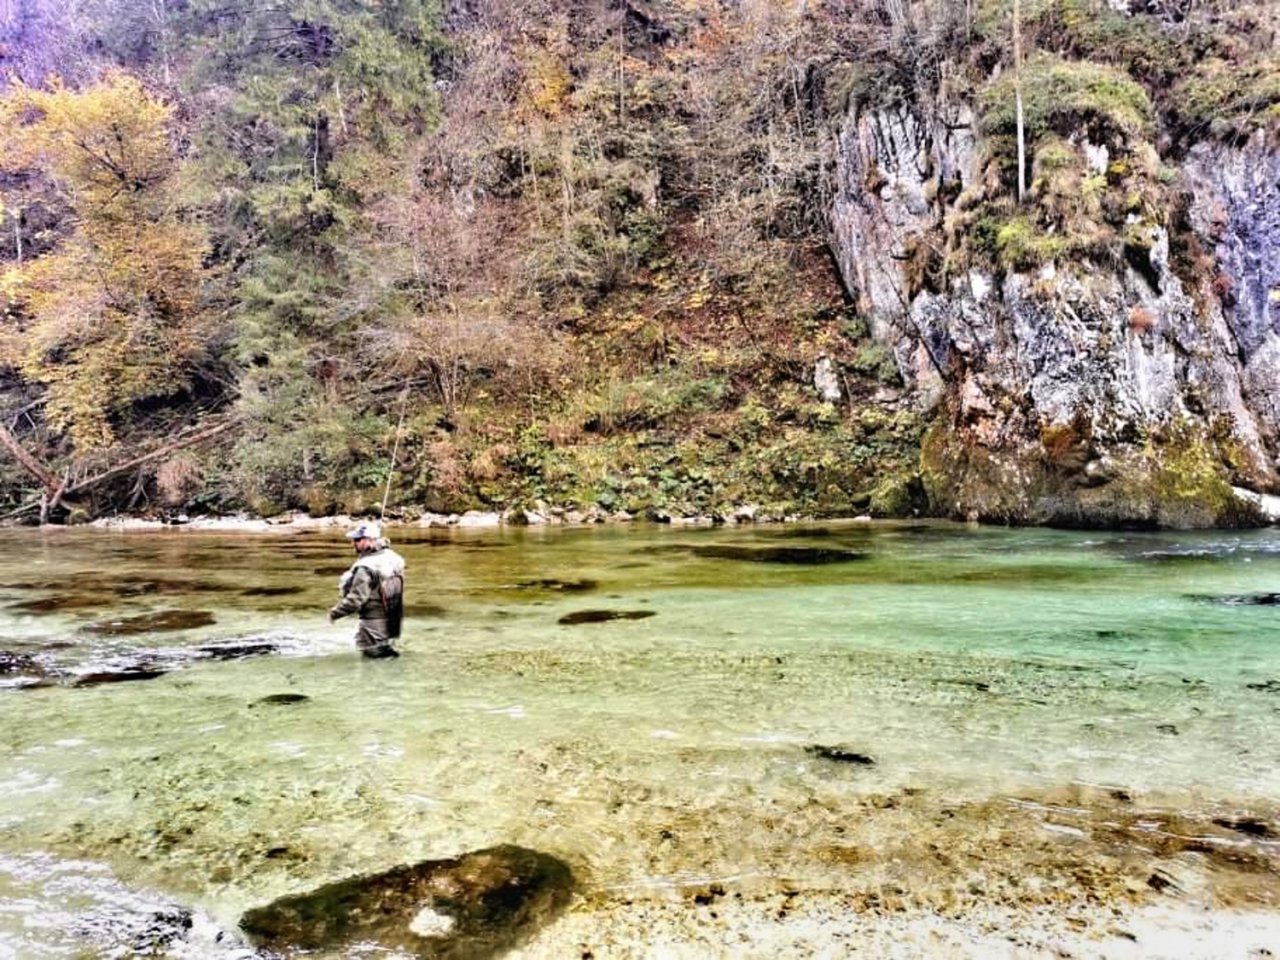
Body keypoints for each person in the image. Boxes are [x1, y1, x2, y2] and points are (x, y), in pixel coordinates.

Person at [329, 521, 406, 659]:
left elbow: (355, 600)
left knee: (372, 660)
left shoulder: (365, 567)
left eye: (357, 540)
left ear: (369, 540)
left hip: (372, 623)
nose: (353, 543)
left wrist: (334, 613)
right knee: (386, 655)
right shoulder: (393, 557)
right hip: (393, 620)